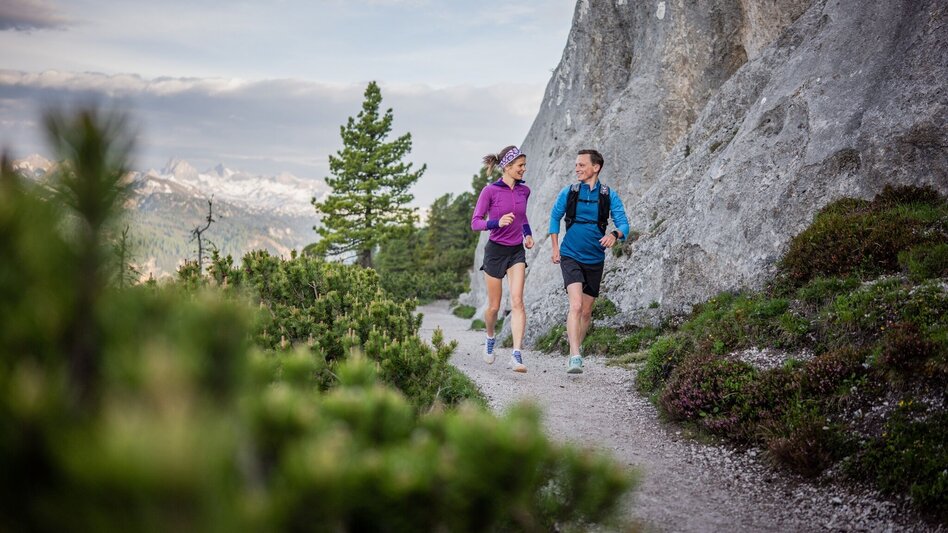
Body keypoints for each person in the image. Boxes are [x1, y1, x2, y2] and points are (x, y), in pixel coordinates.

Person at [548, 149, 630, 374]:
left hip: (595, 258)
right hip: (570, 255)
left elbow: (624, 224)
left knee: (585, 311)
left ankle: (578, 346)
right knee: (575, 305)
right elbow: (555, 217)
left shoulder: (608, 195)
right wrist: (555, 248)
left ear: (596, 167)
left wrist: (614, 235)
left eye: (582, 165)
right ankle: (574, 356)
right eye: (576, 165)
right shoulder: (569, 192)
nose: (577, 168)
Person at [471, 145, 534, 373]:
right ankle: (490, 337)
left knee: (517, 301)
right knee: (494, 307)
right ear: (507, 166)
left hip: (516, 251)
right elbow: (475, 222)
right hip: (495, 251)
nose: (523, 170)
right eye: (520, 166)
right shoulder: (490, 191)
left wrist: (527, 235)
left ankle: (516, 355)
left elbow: (523, 215)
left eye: (524, 165)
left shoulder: (524, 191)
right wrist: (496, 223)